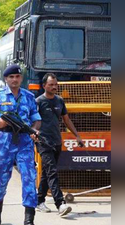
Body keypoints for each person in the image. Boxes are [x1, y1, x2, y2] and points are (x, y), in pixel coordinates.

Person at [0, 64, 41, 225]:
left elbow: (36, 118)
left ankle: (29, 219)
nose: (14, 80)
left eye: (17, 77)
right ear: (6, 79)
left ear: (21, 78)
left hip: (24, 142)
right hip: (4, 142)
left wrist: (34, 130)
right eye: (11, 77)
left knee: (29, 177)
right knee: (1, 177)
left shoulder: (28, 96)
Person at [35, 73, 84, 216]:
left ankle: (39, 201)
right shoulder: (38, 102)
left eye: (56, 84)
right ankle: (60, 204)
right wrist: (34, 134)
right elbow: (34, 122)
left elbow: (66, 120)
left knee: (47, 172)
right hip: (43, 142)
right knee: (52, 172)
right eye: (51, 84)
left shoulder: (59, 101)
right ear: (44, 86)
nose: (54, 87)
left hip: (56, 141)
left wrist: (77, 136)